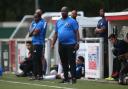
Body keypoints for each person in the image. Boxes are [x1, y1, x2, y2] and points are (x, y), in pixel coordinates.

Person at [51, 6, 80, 84]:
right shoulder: (58, 21)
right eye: (62, 11)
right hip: (61, 44)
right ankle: (66, 78)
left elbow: (77, 32)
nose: (63, 13)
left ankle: (73, 78)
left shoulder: (72, 21)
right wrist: (53, 44)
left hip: (71, 44)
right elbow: (56, 33)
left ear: (67, 12)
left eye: (64, 11)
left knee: (72, 61)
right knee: (64, 62)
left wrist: (77, 42)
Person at [29, 9, 47, 80]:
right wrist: (32, 31)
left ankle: (35, 74)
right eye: (34, 17)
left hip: (39, 43)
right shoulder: (34, 22)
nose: (35, 18)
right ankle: (40, 75)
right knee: (37, 59)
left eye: (36, 16)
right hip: (34, 42)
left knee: (36, 59)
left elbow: (35, 33)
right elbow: (30, 33)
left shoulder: (41, 23)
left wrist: (32, 31)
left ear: (40, 16)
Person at [95, 8, 108, 77]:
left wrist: (98, 30)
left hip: (105, 42)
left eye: (101, 11)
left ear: (104, 12)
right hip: (99, 43)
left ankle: (106, 73)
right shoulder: (99, 20)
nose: (100, 12)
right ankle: (101, 72)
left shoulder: (106, 20)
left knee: (104, 58)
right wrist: (98, 30)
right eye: (99, 11)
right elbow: (95, 30)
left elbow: (102, 30)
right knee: (100, 58)